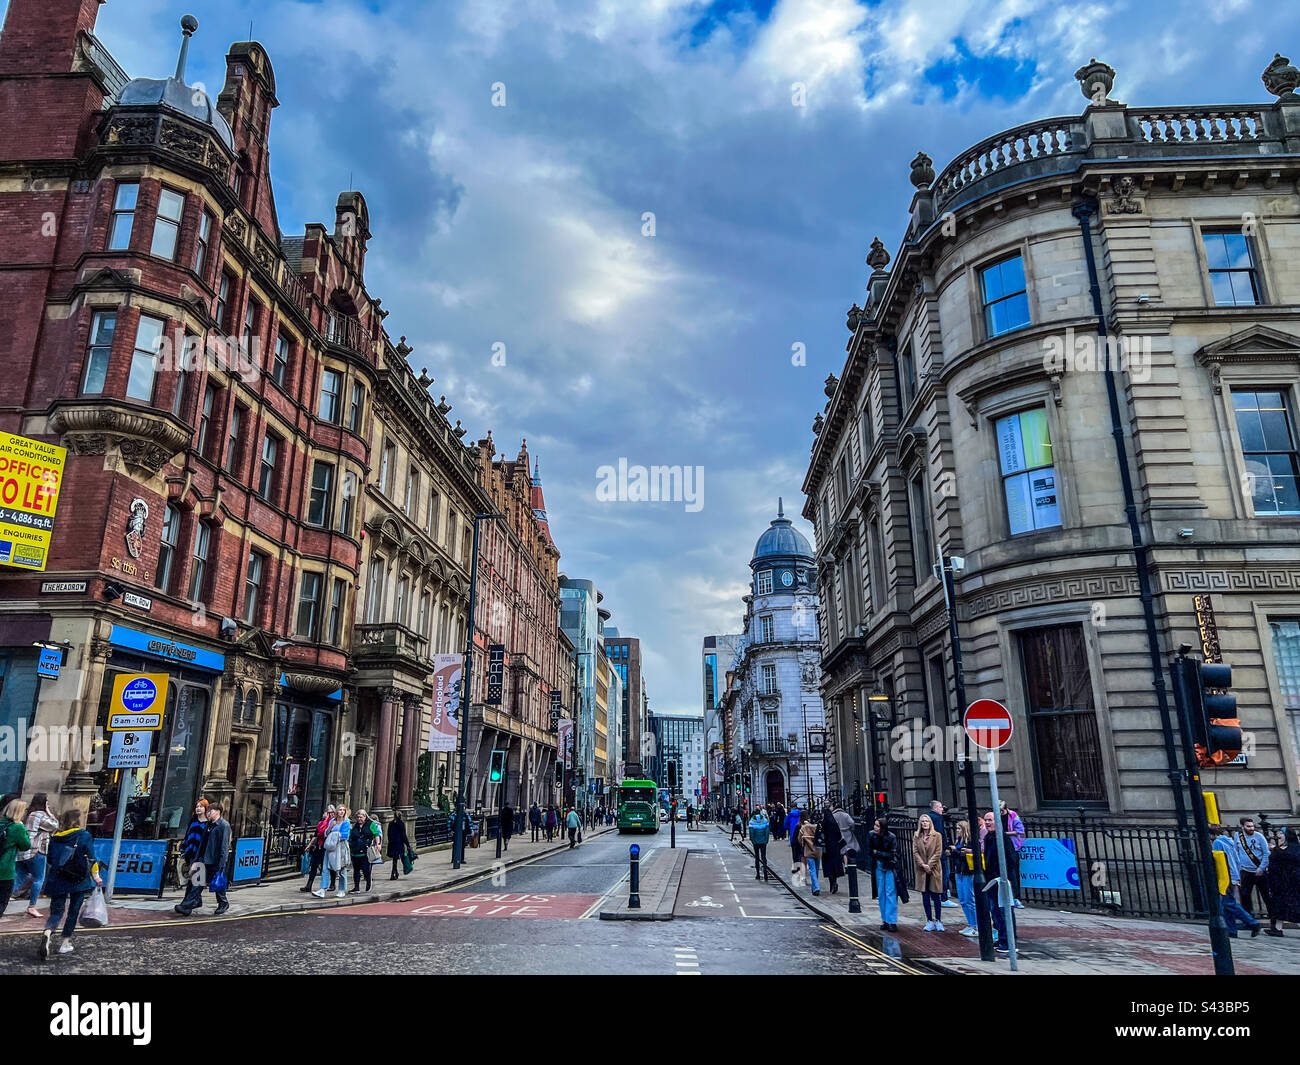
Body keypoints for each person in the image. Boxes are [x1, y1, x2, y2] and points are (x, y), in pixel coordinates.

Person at [38, 809, 101, 960]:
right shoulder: (84, 835)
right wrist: (96, 876)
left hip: (59, 878)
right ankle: (65, 943)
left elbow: (51, 860)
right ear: (78, 821)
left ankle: (48, 932)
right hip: (79, 879)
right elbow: (91, 858)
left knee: (57, 910)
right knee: (73, 911)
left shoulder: (55, 838)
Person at [177, 802, 232, 916]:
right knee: (198, 883)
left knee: (217, 884)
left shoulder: (223, 825)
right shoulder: (209, 825)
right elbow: (202, 843)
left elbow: (224, 846)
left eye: (210, 811)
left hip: (214, 860)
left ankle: (223, 903)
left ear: (217, 811)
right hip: (203, 859)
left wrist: (222, 863)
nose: (208, 813)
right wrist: (197, 858)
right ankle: (186, 906)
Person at [1211, 823, 1260, 938]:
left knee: (1229, 903)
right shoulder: (1230, 841)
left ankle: (1252, 923)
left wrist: (1228, 879)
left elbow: (1222, 863)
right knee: (1227, 904)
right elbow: (1237, 859)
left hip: (1226, 877)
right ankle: (1232, 930)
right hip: (1234, 874)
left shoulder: (1217, 843)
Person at [14, 793, 58, 918]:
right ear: (43, 803)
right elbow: (55, 825)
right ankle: (32, 907)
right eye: (47, 803)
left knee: (18, 878)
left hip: (23, 851)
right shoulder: (39, 815)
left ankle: (3, 900)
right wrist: (49, 812)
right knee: (38, 878)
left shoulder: (28, 813)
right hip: (37, 850)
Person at [982, 810, 1017, 951]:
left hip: (1002, 881)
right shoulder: (988, 838)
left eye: (990, 820)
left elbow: (1012, 860)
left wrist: (1004, 878)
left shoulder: (1003, 839)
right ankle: (1002, 938)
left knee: (1005, 912)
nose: (987, 822)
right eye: (986, 820)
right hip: (992, 882)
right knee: (995, 912)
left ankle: (1009, 942)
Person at [0, 799, 33, 916]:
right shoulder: (17, 828)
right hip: (4, 871)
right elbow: (26, 846)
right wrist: (23, 828)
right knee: (2, 902)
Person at [1265, 827, 1300, 937]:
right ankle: (1277, 929)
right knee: (1280, 904)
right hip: (1282, 882)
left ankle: (1277, 928)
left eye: (1281, 833)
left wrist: (1276, 850)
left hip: (1291, 881)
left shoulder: (1291, 849)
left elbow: (1282, 859)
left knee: (1293, 905)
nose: (1279, 836)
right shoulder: (1282, 849)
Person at [913, 813, 945, 931]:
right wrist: (922, 864)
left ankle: (938, 920)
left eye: (926, 821)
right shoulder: (916, 836)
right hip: (921, 870)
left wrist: (929, 865)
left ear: (930, 823)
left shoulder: (937, 835)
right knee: (925, 895)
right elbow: (915, 852)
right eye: (922, 821)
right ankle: (929, 920)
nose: (925, 823)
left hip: (934, 868)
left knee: (936, 895)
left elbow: (938, 852)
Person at [1236, 817, 1271, 921]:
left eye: (1252, 826)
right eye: (1248, 826)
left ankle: (1274, 920)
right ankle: (1249, 920)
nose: (1251, 828)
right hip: (1245, 871)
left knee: (1266, 896)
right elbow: (1236, 852)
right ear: (1242, 827)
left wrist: (1261, 868)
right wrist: (1239, 867)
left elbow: (1266, 853)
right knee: (1245, 896)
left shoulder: (1259, 837)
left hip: (1260, 871)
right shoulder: (1238, 836)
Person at [868, 817, 899, 931]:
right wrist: (878, 853)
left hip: (890, 867)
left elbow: (892, 854)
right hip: (878, 866)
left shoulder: (891, 837)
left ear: (883, 827)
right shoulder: (871, 835)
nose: (875, 828)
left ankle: (892, 921)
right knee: (881, 894)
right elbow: (870, 851)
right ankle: (885, 920)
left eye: (877, 826)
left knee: (890, 893)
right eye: (875, 825)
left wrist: (878, 853)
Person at [949, 820, 979, 936]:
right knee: (962, 900)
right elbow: (957, 856)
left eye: (959, 828)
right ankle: (971, 923)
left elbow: (971, 854)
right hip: (959, 871)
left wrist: (956, 851)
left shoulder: (970, 841)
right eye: (956, 828)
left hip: (967, 872)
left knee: (969, 899)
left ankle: (976, 925)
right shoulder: (958, 841)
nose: (957, 831)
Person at [318, 804, 351, 898]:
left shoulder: (346, 822)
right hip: (331, 847)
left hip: (341, 847)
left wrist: (334, 835)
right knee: (325, 868)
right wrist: (331, 827)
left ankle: (341, 889)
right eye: (340, 810)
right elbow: (325, 833)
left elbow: (345, 836)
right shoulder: (332, 821)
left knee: (341, 869)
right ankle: (322, 889)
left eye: (343, 810)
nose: (342, 812)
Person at [998, 800, 1025, 906]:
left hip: (1012, 846)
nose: (999, 813)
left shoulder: (1013, 815)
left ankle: (1016, 897)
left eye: (1001, 811)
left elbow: (1020, 830)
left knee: (1013, 872)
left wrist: (1005, 833)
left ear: (1005, 809)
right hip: (1000, 846)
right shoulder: (994, 815)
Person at [302, 805, 334, 894]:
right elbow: (316, 836)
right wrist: (309, 845)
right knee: (314, 866)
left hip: (328, 848)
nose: (328, 814)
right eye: (327, 812)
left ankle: (332, 884)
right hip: (319, 847)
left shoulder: (333, 823)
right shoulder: (321, 823)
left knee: (328, 867)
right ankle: (309, 885)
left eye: (331, 812)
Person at [350, 809, 380, 893]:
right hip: (355, 851)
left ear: (365, 817)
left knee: (365, 869)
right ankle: (356, 887)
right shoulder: (355, 826)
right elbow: (351, 836)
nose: (359, 819)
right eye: (358, 817)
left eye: (361, 817)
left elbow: (376, 834)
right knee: (356, 870)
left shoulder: (371, 824)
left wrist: (378, 844)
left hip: (366, 851)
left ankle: (368, 882)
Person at [797, 810, 822, 896]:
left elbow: (799, 839)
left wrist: (804, 844)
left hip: (808, 851)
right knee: (817, 869)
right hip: (818, 850)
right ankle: (815, 886)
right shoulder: (819, 827)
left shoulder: (804, 827)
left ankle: (816, 887)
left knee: (812, 869)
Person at [821, 804, 844, 895]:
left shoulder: (823, 824)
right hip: (835, 847)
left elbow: (820, 835)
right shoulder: (834, 823)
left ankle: (832, 883)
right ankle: (834, 882)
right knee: (834, 866)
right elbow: (839, 835)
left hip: (827, 848)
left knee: (828, 866)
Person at [748, 807, 771, 881]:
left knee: (757, 857)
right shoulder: (765, 820)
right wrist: (766, 840)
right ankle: (765, 874)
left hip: (756, 842)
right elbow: (767, 832)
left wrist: (753, 840)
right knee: (764, 857)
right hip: (763, 841)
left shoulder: (752, 821)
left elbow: (751, 833)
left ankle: (758, 874)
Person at [387, 812, 410, 880]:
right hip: (398, 843)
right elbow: (403, 835)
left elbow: (388, 834)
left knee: (395, 859)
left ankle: (394, 873)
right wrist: (407, 844)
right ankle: (396, 872)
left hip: (392, 843)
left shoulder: (391, 823)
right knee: (401, 858)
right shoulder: (401, 823)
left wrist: (390, 841)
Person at [785, 804, 802, 869]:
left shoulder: (789, 815)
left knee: (795, 852)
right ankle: (802, 865)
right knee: (801, 851)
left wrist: (790, 827)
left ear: (791, 808)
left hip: (793, 835)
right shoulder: (800, 814)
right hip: (801, 834)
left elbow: (785, 825)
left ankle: (796, 866)